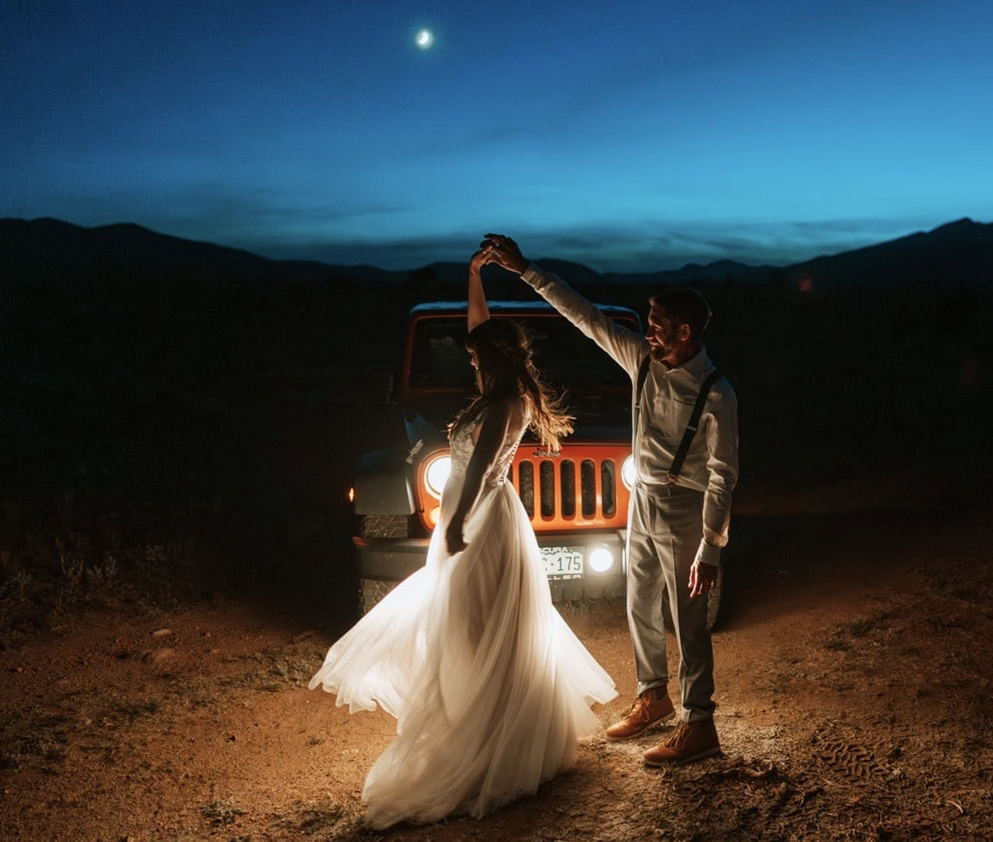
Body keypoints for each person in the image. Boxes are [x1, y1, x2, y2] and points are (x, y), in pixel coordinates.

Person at [308, 244, 617, 828]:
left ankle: (484, 734)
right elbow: (481, 328)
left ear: (493, 363)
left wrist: (452, 527)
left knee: (474, 621)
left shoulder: (506, 405)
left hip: (480, 522)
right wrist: (475, 274)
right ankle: (472, 713)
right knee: (467, 621)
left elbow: (477, 474)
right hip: (473, 517)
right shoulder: (497, 387)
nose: (471, 365)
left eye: (477, 361)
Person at [482, 233, 739, 767]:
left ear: (685, 332)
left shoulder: (716, 391)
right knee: (638, 600)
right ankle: (654, 695)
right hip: (640, 500)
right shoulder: (640, 361)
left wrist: (710, 548)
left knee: (687, 617)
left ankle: (701, 723)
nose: (647, 333)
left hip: (684, 506)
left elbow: (722, 475)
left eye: (658, 326)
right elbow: (586, 316)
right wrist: (526, 269)